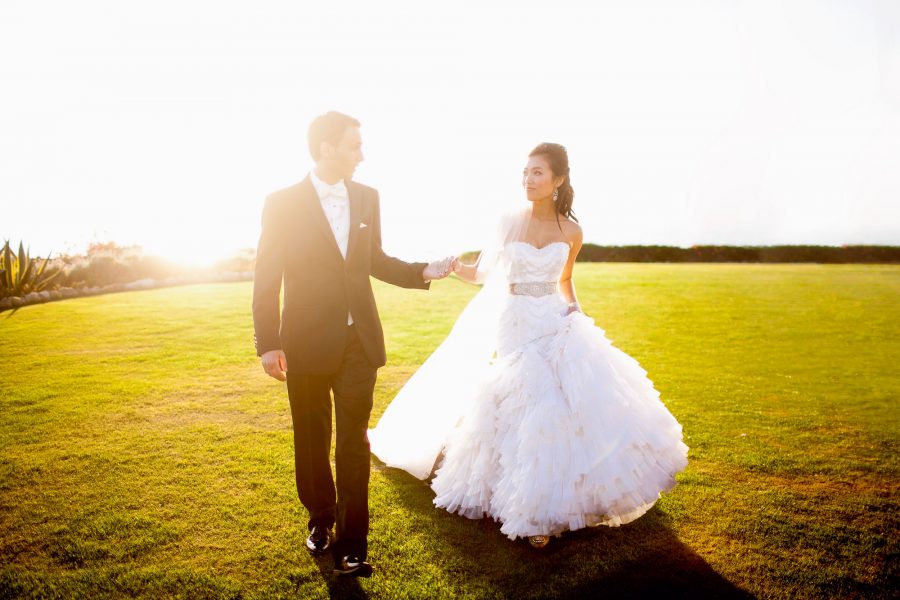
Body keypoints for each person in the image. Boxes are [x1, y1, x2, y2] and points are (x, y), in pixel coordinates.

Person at [369, 142, 689, 548]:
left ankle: (548, 504)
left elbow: (565, 279)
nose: (528, 179)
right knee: (525, 401)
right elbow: (483, 274)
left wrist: (575, 310)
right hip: (515, 321)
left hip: (555, 320)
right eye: (525, 172)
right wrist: (452, 268)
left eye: (537, 172)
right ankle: (524, 505)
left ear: (557, 180)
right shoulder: (508, 222)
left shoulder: (572, 231)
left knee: (558, 404)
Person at [252, 111, 456, 576]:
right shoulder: (281, 203)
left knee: (353, 441)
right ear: (326, 148)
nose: (361, 155)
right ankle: (320, 519)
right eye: (353, 146)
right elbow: (267, 276)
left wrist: (423, 270)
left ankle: (351, 545)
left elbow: (375, 260)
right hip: (303, 340)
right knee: (311, 438)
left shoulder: (368, 198)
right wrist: (268, 342)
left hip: (358, 341)